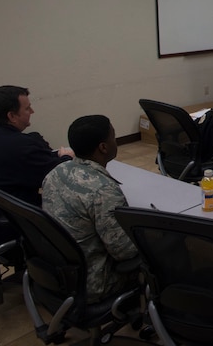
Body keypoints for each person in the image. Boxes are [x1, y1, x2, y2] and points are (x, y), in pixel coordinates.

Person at [42, 115, 139, 302]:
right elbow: (124, 252)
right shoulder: (103, 190)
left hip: (60, 273)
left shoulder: (56, 173)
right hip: (94, 283)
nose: (115, 140)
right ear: (103, 147)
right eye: (113, 135)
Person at [0, 85, 74, 247]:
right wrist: (66, 157)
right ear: (12, 116)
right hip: (0, 228)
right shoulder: (19, 146)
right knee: (75, 210)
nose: (32, 111)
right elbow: (59, 177)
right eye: (28, 108)